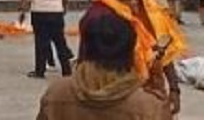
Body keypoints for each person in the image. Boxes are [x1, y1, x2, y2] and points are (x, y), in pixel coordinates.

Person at [80, 0, 186, 115]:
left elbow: (162, 49)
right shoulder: (100, 16)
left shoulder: (148, 7)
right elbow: (88, 60)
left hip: (149, 92)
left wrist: (173, 88)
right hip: (118, 96)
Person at [36, 11, 172, 120]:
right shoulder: (148, 106)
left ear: (86, 48)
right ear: (131, 50)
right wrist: (160, 94)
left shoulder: (56, 93)